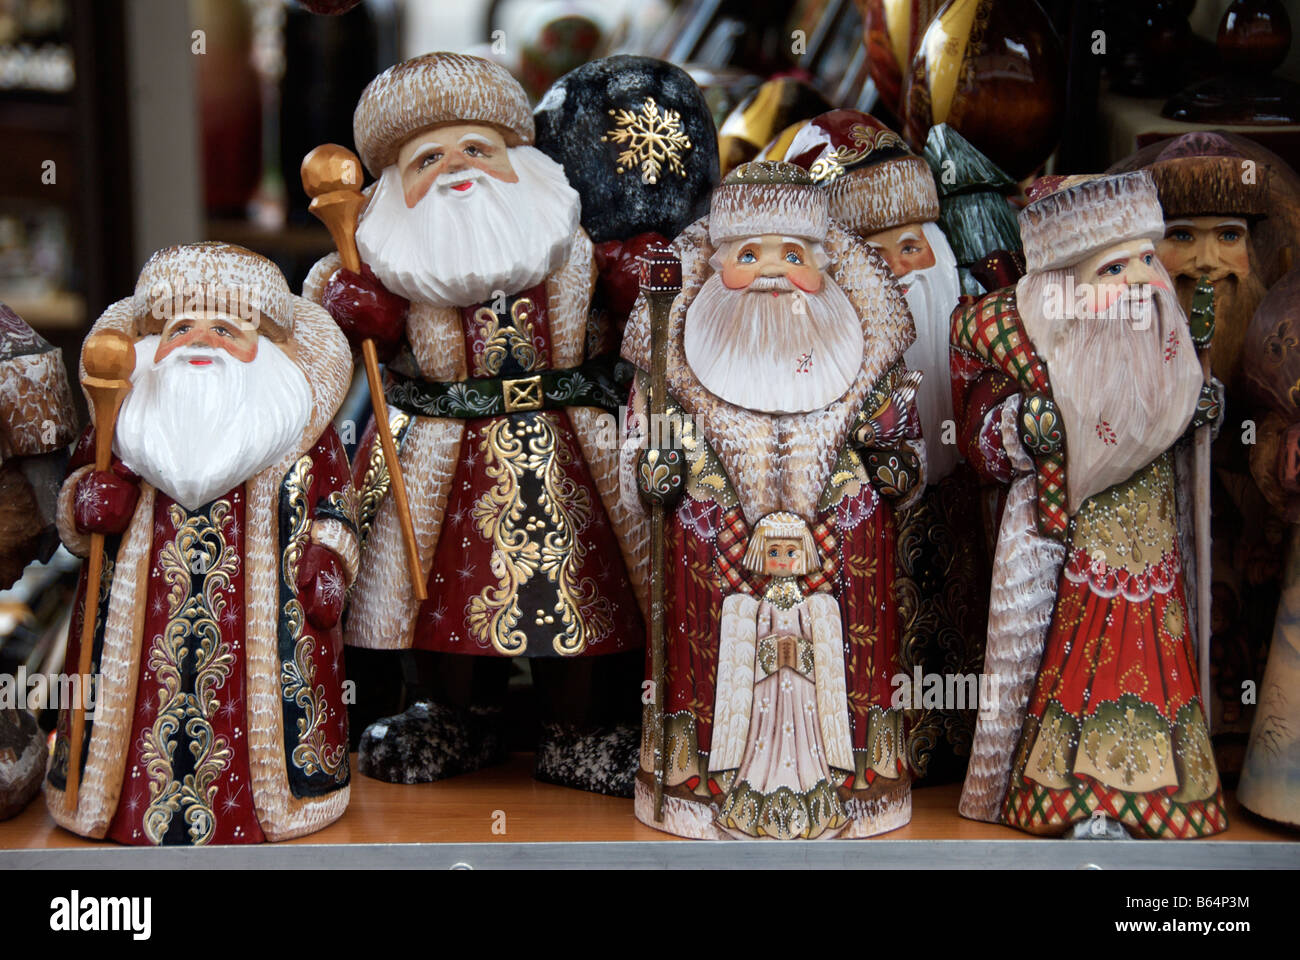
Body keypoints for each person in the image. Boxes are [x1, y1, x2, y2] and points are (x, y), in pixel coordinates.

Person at [307, 52, 646, 794]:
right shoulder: (395, 262)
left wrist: (642, 286)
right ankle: (458, 715)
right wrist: (353, 310)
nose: (460, 169)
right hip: (442, 452)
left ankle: (579, 727)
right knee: (440, 596)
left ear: (519, 160)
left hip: (571, 448)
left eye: (478, 149)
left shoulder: (569, 242)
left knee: (581, 588)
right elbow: (346, 344)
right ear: (394, 186)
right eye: (430, 157)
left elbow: (633, 316)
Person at [622, 160, 923, 839]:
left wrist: (893, 459)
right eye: (748, 254)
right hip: (713, 572)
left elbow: (904, 455)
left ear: (825, 268)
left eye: (794, 255)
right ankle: (698, 786)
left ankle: (852, 791)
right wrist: (656, 469)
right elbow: (645, 454)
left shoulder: (867, 355)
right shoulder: (674, 360)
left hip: (843, 576)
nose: (771, 271)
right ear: (713, 263)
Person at [45, 243, 358, 845]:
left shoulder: (295, 429)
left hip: (270, 645)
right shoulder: (124, 423)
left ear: (267, 350)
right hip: (132, 650)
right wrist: (87, 503)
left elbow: (334, 506)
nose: (200, 341)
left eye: (225, 328)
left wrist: (330, 560)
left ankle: (276, 804)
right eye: (180, 326)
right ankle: (113, 802)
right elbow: (81, 499)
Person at [953, 173, 1227, 837]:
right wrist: (1025, 429)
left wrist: (1201, 414)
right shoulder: (1026, 352)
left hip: (1153, 552)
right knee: (1077, 666)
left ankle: (1163, 796)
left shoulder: (1167, 350)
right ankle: (1073, 794)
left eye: (1146, 259)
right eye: (1114, 266)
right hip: (1073, 558)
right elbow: (983, 442)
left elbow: (1178, 421)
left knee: (1159, 663)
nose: (1140, 280)